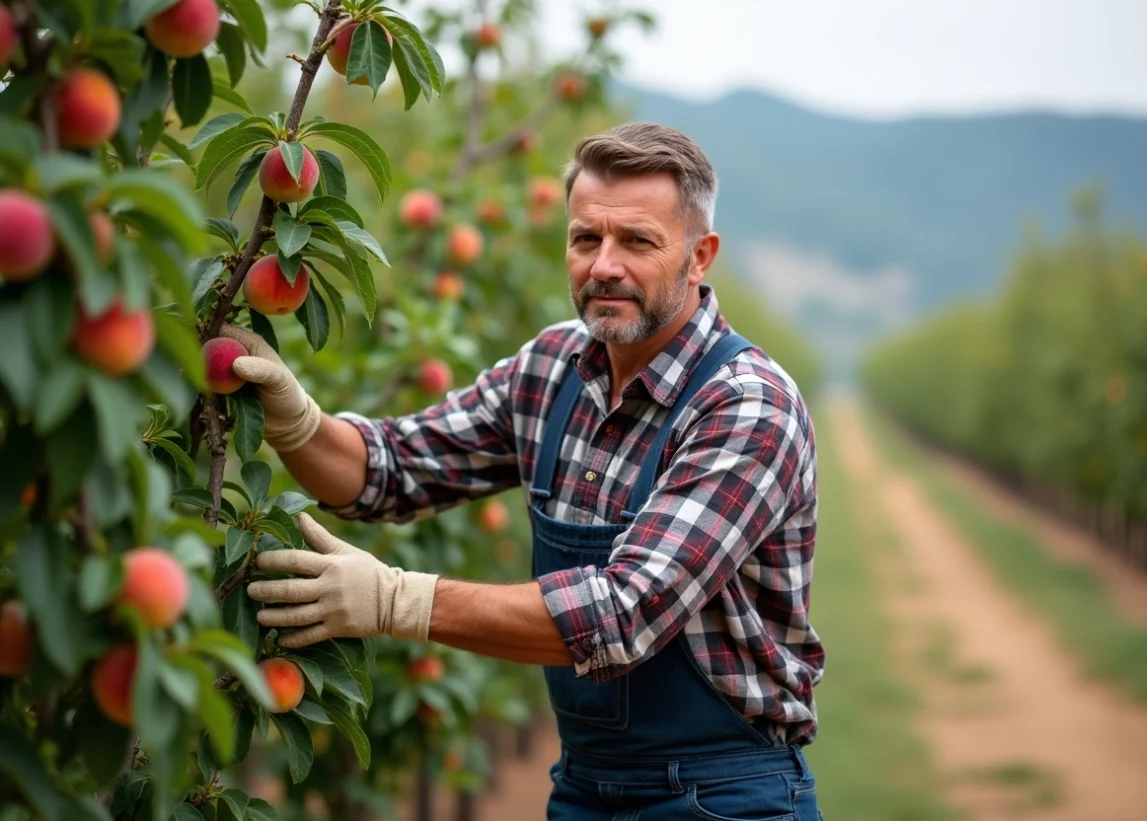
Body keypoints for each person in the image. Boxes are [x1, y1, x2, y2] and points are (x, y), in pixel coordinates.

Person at [227, 122, 825, 820]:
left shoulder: (746, 404)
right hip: (584, 786)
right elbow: (392, 468)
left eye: (637, 241)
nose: (605, 265)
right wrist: (295, 421)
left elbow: (621, 611)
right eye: (585, 239)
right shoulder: (551, 369)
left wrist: (397, 599)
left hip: (723, 794)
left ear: (700, 257)